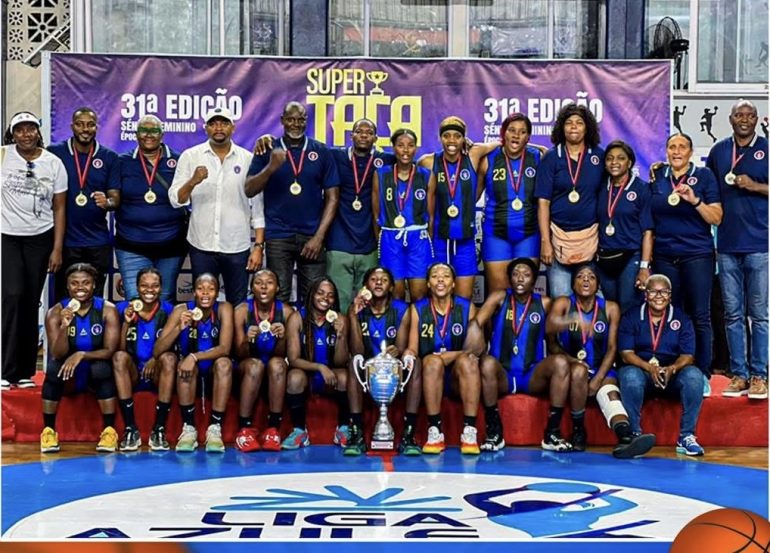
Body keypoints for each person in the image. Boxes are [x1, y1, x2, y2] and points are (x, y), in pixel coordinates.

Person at [547, 265, 654, 457]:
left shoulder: (610, 308)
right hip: (571, 368)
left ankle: (625, 437)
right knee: (579, 371)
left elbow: (613, 348)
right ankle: (579, 431)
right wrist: (572, 357)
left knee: (609, 393)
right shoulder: (564, 303)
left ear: (598, 285)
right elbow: (550, 334)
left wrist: (597, 379)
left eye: (591, 277)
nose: (585, 280)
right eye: (580, 276)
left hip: (601, 367)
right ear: (573, 284)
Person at [245, 101, 340, 305]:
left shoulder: (321, 151)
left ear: (306, 121)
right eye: (290, 119)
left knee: (315, 299)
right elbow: (249, 189)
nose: (295, 124)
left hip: (312, 236)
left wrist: (319, 237)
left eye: (300, 120)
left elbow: (333, 197)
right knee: (279, 297)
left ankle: (308, 330)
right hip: (278, 236)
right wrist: (271, 167)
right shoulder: (267, 149)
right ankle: (281, 328)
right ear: (282, 121)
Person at [169, 107, 264, 307]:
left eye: (224, 123)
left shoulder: (247, 159)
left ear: (233, 127)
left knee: (238, 304)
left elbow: (257, 208)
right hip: (201, 245)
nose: (218, 128)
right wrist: (193, 181)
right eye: (213, 123)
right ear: (206, 128)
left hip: (236, 246)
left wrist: (258, 247)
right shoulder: (190, 156)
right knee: (203, 304)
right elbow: (176, 199)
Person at [475, 258, 573, 452]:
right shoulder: (499, 297)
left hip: (531, 375)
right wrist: (473, 345)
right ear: (509, 278)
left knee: (561, 363)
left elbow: (552, 342)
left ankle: (552, 433)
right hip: (503, 374)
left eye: (526, 275)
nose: (520, 279)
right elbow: (477, 322)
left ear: (534, 280)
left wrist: (572, 359)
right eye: (516, 274)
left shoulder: (544, 303)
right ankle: (494, 431)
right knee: (486, 363)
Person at [650, 133, 722, 393]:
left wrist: (695, 201)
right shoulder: (658, 176)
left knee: (700, 316)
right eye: (672, 147)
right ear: (666, 151)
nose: (677, 151)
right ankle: (675, 371)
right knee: (672, 315)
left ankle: (702, 373)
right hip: (665, 255)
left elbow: (716, 217)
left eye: (682, 147)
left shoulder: (704, 176)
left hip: (697, 255)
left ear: (691, 152)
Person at [706, 100, 768, 399]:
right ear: (730, 120)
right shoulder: (719, 151)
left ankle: (760, 376)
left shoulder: (766, 149)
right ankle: (739, 374)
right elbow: (705, 187)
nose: (744, 119)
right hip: (727, 245)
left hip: (760, 243)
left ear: (756, 120)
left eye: (750, 115)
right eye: (739, 115)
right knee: (732, 314)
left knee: (759, 315)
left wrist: (755, 185)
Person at [1, 112, 66, 390]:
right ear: (12, 134)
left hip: (40, 238)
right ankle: (5, 369)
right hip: (8, 237)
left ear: (38, 133)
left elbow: (60, 207)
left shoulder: (53, 163)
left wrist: (57, 248)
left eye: (30, 129)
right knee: (12, 297)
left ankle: (25, 371)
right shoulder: (3, 155)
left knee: (30, 301)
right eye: (20, 130)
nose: (25, 134)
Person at [618, 274, 705, 456]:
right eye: (653, 292)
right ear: (646, 295)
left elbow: (688, 355)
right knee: (629, 375)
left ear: (670, 296)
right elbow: (626, 354)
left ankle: (686, 436)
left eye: (664, 292)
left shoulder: (682, 319)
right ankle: (634, 436)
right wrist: (649, 368)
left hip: (671, 374)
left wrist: (673, 368)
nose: (659, 296)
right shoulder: (631, 317)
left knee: (694, 376)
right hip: (643, 372)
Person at [40, 263, 120, 453]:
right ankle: (49, 431)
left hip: (95, 370)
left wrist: (82, 354)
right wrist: (64, 326)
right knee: (53, 369)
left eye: (86, 282)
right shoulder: (55, 312)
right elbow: (58, 354)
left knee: (102, 369)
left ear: (94, 285)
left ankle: (109, 431)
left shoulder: (107, 309)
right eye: (74, 283)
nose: (80, 288)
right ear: (67, 287)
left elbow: (109, 350)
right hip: (69, 375)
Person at [153, 273, 234, 453]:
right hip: (188, 374)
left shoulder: (224, 309)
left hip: (214, 371)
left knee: (224, 363)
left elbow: (225, 348)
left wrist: (194, 357)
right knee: (183, 364)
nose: (205, 293)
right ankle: (189, 428)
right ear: (194, 292)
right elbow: (157, 351)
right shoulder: (181, 310)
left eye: (211, 289)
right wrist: (178, 328)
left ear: (217, 293)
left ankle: (215, 429)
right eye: (200, 289)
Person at [405, 262, 479, 455]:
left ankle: (469, 431)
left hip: (458, 378)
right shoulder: (418, 309)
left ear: (453, 284)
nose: (440, 279)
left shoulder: (467, 307)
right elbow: (413, 348)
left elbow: (476, 349)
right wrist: (408, 354)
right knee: (431, 361)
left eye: (445, 276)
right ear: (428, 283)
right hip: (429, 377)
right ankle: (435, 431)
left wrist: (449, 356)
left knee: (468, 361)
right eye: (435, 276)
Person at [344, 266, 420, 455]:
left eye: (384, 280)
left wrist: (397, 351)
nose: (378, 282)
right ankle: (357, 433)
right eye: (373, 279)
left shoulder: (402, 309)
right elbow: (357, 351)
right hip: (368, 370)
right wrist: (353, 315)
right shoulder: (356, 309)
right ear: (364, 286)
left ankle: (409, 434)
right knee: (353, 363)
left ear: (392, 287)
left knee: (416, 363)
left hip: (393, 370)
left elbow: (400, 348)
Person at [112, 115, 187, 302]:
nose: (149, 135)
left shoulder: (180, 160)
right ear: (136, 134)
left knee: (164, 299)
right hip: (131, 245)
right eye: (143, 130)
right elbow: (113, 196)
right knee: (135, 301)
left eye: (154, 131)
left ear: (162, 134)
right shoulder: (121, 162)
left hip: (170, 244)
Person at [48, 107, 119, 300]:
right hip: (65, 243)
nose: (85, 129)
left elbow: (115, 198)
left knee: (94, 300)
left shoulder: (109, 157)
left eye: (90, 125)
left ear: (97, 127)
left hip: (97, 242)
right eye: (80, 124)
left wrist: (107, 202)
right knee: (64, 300)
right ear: (72, 126)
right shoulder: (54, 153)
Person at [536, 104, 605, 298]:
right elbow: (543, 203)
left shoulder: (599, 156)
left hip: (590, 240)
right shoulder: (551, 158)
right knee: (562, 301)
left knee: (590, 301)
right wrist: (545, 242)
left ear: (587, 128)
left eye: (579, 123)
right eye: (569, 123)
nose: (574, 126)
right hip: (558, 239)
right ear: (561, 127)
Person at [327, 119, 394, 311]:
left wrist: (466, 146)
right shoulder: (335, 156)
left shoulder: (386, 160)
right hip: (339, 245)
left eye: (369, 132)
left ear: (376, 138)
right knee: (338, 304)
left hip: (369, 247)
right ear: (351, 135)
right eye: (359, 131)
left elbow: (415, 161)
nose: (364, 135)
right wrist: (269, 140)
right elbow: (304, 150)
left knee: (366, 306)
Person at [419, 116, 488, 299]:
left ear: (464, 138)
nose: (451, 140)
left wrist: (471, 144)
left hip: (465, 241)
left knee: (463, 300)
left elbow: (501, 143)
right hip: (438, 240)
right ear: (439, 137)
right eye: (446, 135)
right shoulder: (427, 161)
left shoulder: (473, 156)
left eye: (457, 136)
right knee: (436, 297)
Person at [112, 268, 176, 451]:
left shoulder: (169, 310)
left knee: (169, 358)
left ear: (161, 288)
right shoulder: (123, 308)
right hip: (132, 373)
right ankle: (131, 429)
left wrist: (155, 359)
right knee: (119, 357)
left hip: (157, 374)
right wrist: (126, 322)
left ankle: (159, 429)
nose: (149, 290)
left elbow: (174, 348)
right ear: (137, 287)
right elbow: (119, 349)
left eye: (155, 286)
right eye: (144, 286)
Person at [478, 113, 543, 293]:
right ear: (503, 133)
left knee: (524, 293)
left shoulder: (538, 157)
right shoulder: (488, 159)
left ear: (528, 137)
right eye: (512, 130)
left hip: (529, 235)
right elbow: (472, 197)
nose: (516, 135)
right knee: (498, 295)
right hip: (496, 234)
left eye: (522, 132)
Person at [283, 276, 350, 449]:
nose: (325, 298)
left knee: (345, 377)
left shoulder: (340, 319)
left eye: (330, 295)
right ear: (312, 294)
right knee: (294, 378)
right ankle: (299, 431)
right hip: (308, 375)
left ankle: (343, 429)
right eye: (320, 293)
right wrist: (320, 367)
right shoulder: (297, 318)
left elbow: (341, 361)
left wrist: (340, 336)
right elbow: (293, 359)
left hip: (331, 377)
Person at [232, 269, 293, 451]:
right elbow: (238, 353)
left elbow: (285, 355)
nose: (264, 287)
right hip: (247, 368)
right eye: (258, 283)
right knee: (255, 365)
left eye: (269, 283)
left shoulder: (287, 312)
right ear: (252, 288)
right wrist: (246, 340)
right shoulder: (242, 311)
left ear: (278, 288)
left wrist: (282, 338)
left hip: (275, 371)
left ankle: (273, 429)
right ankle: (244, 429)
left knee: (277, 364)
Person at [373, 128, 435, 301]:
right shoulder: (381, 174)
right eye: (400, 145)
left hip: (418, 239)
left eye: (410, 145)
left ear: (416, 148)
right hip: (390, 238)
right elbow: (376, 214)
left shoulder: (426, 175)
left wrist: (425, 240)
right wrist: (381, 240)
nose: (405, 150)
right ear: (393, 147)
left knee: (420, 295)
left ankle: (417, 320)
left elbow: (431, 216)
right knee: (395, 295)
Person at [595, 140, 653, 313]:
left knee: (628, 306)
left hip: (630, 256)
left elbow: (648, 232)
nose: (614, 162)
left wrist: (644, 267)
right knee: (610, 308)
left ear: (629, 163)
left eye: (620, 158)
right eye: (609, 158)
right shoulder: (600, 187)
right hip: (604, 257)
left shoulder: (642, 189)